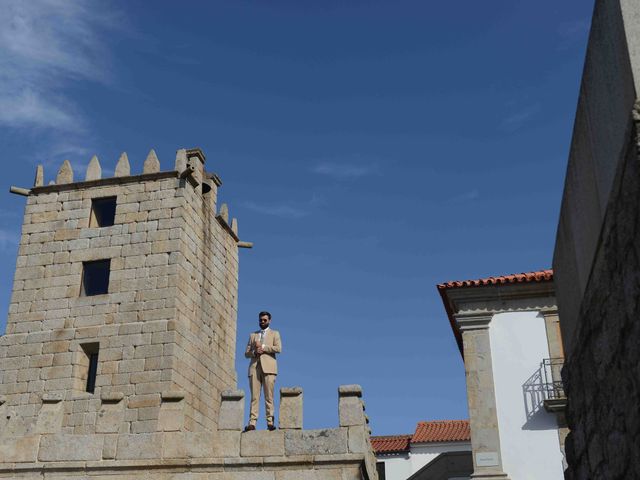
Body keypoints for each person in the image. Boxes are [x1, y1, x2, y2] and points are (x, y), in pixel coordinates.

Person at [244, 311, 282, 431]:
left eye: (265, 320)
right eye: (261, 320)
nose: (262, 322)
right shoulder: (253, 335)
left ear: (269, 320)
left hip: (269, 368)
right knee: (254, 397)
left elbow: (278, 348)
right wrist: (255, 352)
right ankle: (252, 423)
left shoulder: (275, 334)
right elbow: (246, 353)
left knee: (268, 396)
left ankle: (270, 422)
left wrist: (264, 347)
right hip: (255, 367)